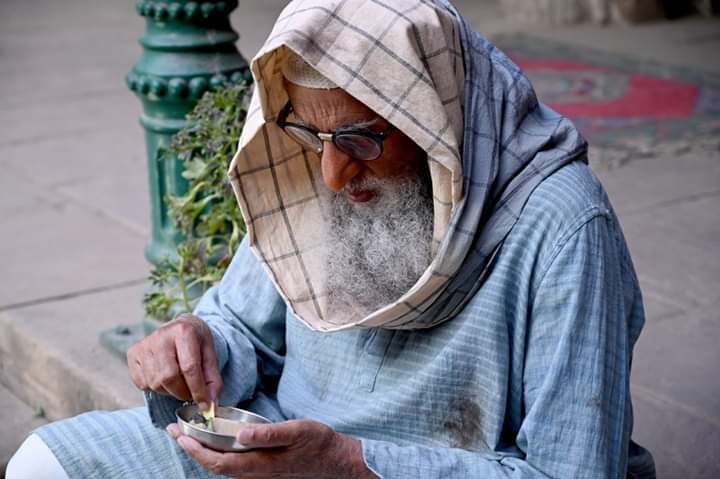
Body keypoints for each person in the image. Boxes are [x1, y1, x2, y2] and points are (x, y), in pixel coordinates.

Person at [7, 0, 656, 477]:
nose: (331, 172)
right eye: (309, 135)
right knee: (43, 463)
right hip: (281, 451)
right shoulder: (319, 167)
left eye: (361, 137)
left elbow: (572, 472)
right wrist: (196, 345)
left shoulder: (565, 224)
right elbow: (238, 325)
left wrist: (348, 463)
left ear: (439, 121)